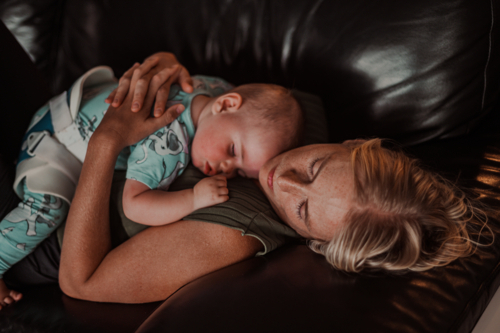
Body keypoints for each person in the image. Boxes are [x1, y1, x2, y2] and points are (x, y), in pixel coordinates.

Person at [0, 54, 304, 306]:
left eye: (238, 173)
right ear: (226, 104)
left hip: (69, 104)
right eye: (233, 151)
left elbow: (259, 108)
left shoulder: (213, 87)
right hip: (56, 144)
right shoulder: (169, 142)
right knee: (44, 211)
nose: (225, 168)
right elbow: (135, 204)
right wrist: (193, 198)